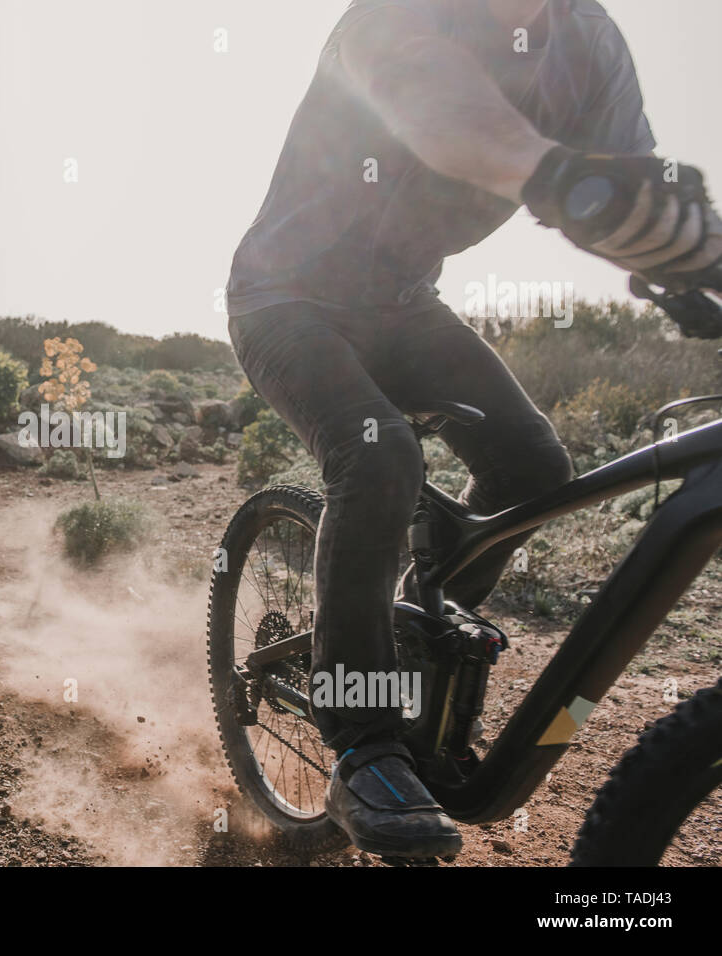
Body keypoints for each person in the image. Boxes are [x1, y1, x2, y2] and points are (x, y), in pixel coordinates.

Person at [225, 0, 722, 858]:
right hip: (286, 298)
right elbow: (448, 116)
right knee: (379, 456)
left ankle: (413, 620)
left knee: (533, 466)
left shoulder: (587, 41)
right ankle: (362, 739)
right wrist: (567, 180)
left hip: (405, 308)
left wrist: (685, 253)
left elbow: (634, 185)